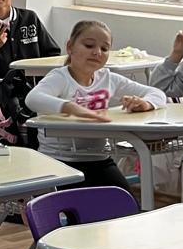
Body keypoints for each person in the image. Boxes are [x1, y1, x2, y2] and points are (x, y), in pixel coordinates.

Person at [24, 19, 167, 191]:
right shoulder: (60, 78)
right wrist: (72, 108)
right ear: (70, 47)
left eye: (104, 49)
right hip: (58, 160)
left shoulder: (108, 78)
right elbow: (32, 98)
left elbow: (158, 93)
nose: (97, 52)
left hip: (98, 159)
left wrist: (145, 103)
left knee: (125, 199)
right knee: (74, 205)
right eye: (89, 45)